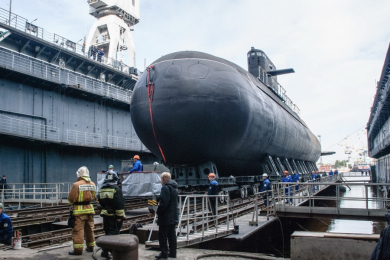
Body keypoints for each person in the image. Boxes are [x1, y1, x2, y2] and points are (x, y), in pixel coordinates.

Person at [68, 166, 96, 255]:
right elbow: (94, 197)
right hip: (90, 210)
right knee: (90, 229)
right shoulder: (92, 184)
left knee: (78, 230)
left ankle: (78, 250)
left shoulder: (76, 185)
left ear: (79, 174)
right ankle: (91, 247)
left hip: (79, 212)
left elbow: (71, 199)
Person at [98, 171, 125, 259]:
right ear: (115, 179)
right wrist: (119, 217)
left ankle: (105, 251)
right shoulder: (116, 190)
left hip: (106, 215)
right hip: (114, 216)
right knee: (114, 233)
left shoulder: (101, 189)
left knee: (107, 232)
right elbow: (119, 204)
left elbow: (100, 202)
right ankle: (110, 251)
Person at [156, 172, 178, 259]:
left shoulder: (165, 188)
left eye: (161, 179)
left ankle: (164, 253)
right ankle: (173, 253)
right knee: (172, 235)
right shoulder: (174, 187)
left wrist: (158, 212)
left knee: (163, 236)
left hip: (166, 217)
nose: (161, 181)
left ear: (165, 179)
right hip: (173, 216)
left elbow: (164, 203)